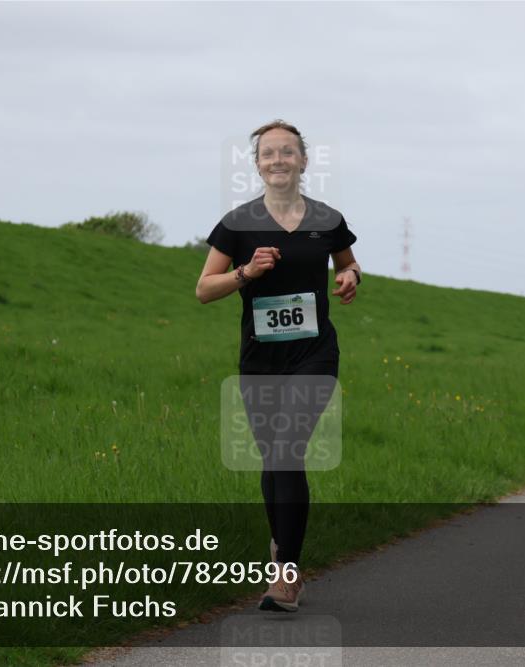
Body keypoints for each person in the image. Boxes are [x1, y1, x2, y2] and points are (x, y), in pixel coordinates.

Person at [196, 120, 360, 612]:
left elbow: (348, 263)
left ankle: (286, 575)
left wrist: (351, 277)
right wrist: (246, 273)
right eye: (269, 153)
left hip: (314, 353)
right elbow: (204, 289)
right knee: (273, 458)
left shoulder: (328, 219)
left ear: (304, 161)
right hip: (261, 358)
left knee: (287, 448)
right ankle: (282, 550)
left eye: (288, 152)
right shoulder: (237, 223)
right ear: (258, 164)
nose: (278, 160)